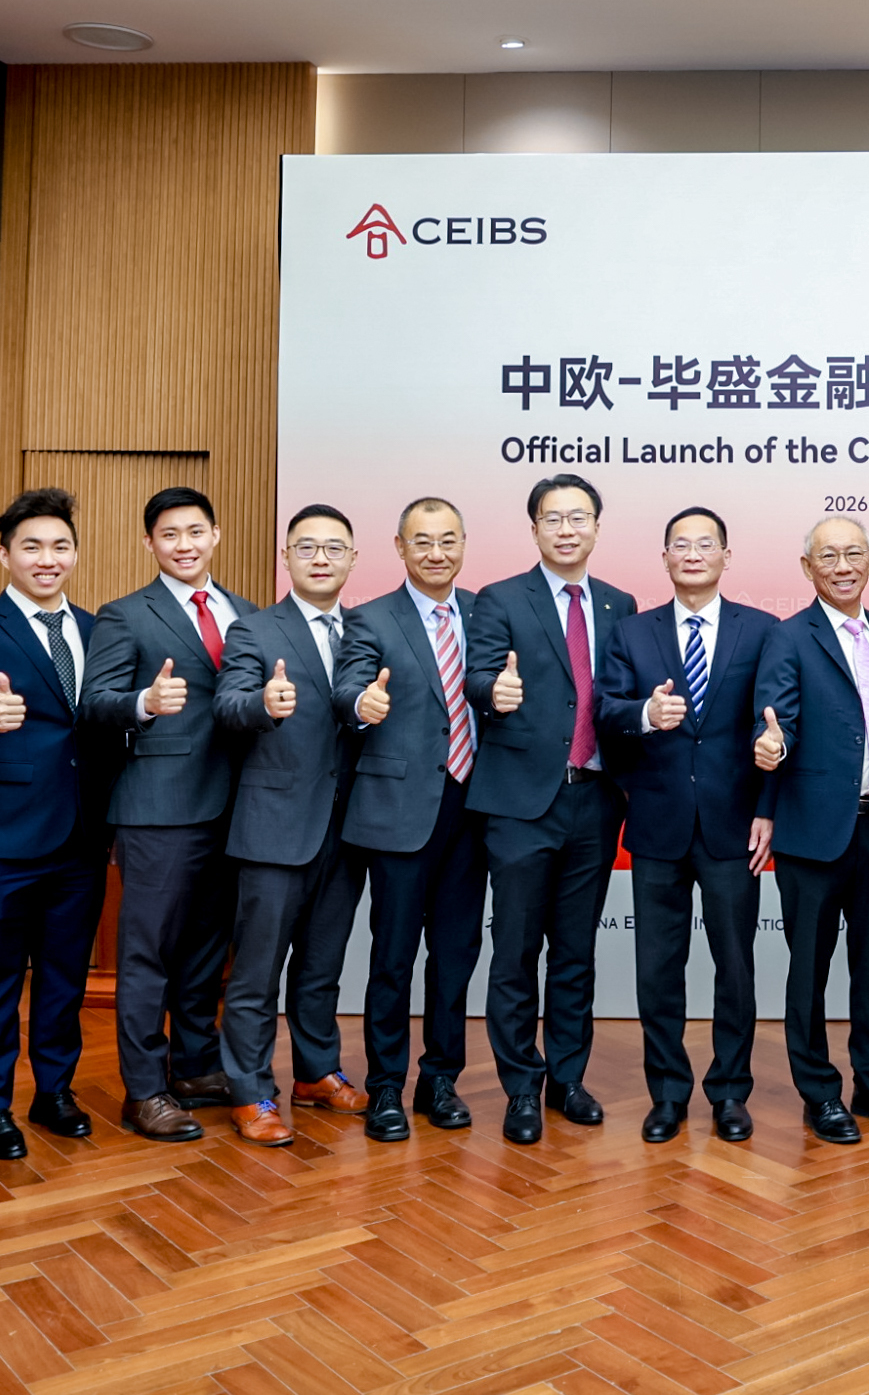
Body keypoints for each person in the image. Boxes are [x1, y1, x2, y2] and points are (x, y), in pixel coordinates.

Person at [596, 506, 781, 1144]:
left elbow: (774, 724)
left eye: (707, 544)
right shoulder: (632, 632)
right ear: (665, 558)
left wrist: (767, 806)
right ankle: (668, 1094)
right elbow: (605, 711)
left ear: (727, 556)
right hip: (657, 823)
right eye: (682, 544)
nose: (694, 553)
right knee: (657, 969)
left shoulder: (762, 630)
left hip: (734, 826)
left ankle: (730, 1092)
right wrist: (645, 715)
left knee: (735, 968)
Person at [464, 472, 639, 1143]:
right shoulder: (501, 598)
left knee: (574, 951)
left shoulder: (620, 604)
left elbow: (619, 695)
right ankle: (521, 1087)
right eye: (553, 518)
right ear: (535, 527)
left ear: (596, 526)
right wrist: (493, 692)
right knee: (515, 950)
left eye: (578, 517)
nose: (567, 529)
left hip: (594, 799)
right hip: (520, 803)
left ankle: (568, 1078)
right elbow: (480, 674)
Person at [0, 488, 109, 1160]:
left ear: (75, 554)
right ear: (4, 553)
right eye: (31, 546)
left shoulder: (96, 629)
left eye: (60, 546)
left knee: (64, 979)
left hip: (80, 836)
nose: (47, 558)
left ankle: (54, 1092)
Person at [81, 486, 253, 1143]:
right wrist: (144, 703)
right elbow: (94, 703)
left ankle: (196, 1067)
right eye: (170, 534)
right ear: (149, 542)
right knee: (148, 952)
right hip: (158, 806)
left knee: (208, 949)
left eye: (195, 531)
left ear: (216, 535)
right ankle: (145, 1090)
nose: (185, 544)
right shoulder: (125, 615)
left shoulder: (247, 613)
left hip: (235, 806)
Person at [754, 515, 869, 1144]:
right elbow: (775, 719)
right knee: (809, 968)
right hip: (814, 828)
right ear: (808, 568)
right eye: (828, 556)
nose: (843, 566)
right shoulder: (787, 637)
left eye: (853, 554)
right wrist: (770, 746)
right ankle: (820, 1093)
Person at [211, 505, 376, 1146]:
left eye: (334, 547)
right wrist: (263, 705)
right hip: (274, 825)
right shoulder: (254, 630)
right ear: (286, 557)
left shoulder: (367, 629)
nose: (321, 558)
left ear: (353, 559)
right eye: (307, 547)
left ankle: (315, 1071)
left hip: (349, 825)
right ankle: (251, 1091)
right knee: (257, 971)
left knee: (322, 963)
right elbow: (227, 706)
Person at [333, 498, 495, 1141]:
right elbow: (349, 686)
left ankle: (440, 1079)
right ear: (400, 548)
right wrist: (361, 704)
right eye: (422, 541)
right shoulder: (370, 618)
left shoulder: (486, 612)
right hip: (400, 810)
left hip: (473, 806)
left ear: (464, 545)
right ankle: (384, 1087)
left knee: (456, 953)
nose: (436, 553)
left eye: (448, 540)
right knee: (393, 955)